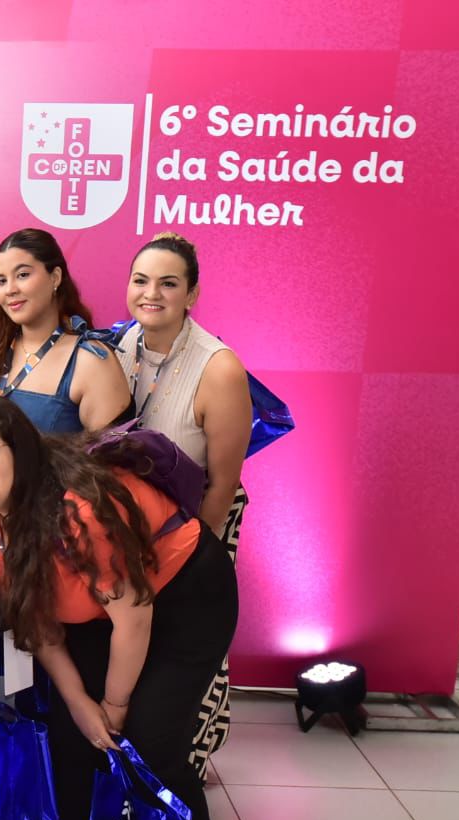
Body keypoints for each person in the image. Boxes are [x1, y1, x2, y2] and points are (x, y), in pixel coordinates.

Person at [0, 398, 237, 820]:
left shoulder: (78, 512)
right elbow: (38, 623)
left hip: (184, 598)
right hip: (104, 612)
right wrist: (79, 702)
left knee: (151, 739)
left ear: (18, 450)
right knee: (71, 734)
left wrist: (114, 706)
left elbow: (134, 618)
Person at [116, 234, 252, 779]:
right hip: (128, 527)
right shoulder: (117, 346)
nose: (152, 294)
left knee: (187, 641)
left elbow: (223, 482)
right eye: (141, 281)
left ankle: (191, 755)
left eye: (168, 284)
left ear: (191, 294)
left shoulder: (219, 368)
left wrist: (190, 556)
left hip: (197, 526)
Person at [0, 229, 131, 434]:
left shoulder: (92, 359)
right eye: (1, 281)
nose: (10, 289)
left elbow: (114, 452)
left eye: (22, 275)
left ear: (55, 277)